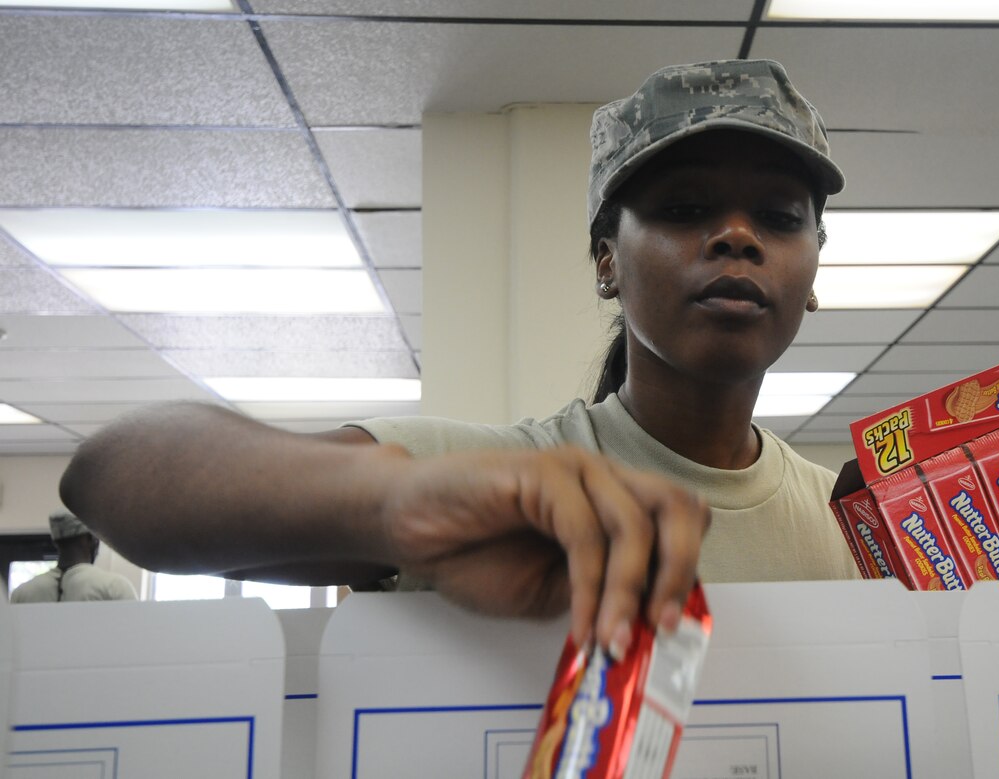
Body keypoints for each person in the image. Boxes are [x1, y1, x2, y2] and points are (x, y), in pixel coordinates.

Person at [59, 59, 858, 660]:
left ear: (813, 270)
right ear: (607, 261)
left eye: (780, 217)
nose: (737, 236)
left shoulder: (863, 525)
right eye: (684, 209)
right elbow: (113, 478)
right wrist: (399, 501)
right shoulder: (502, 480)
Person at [9, 510, 138, 603]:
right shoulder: (114, 587)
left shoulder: (22, 594)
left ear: (55, 542)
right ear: (92, 539)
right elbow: (134, 635)